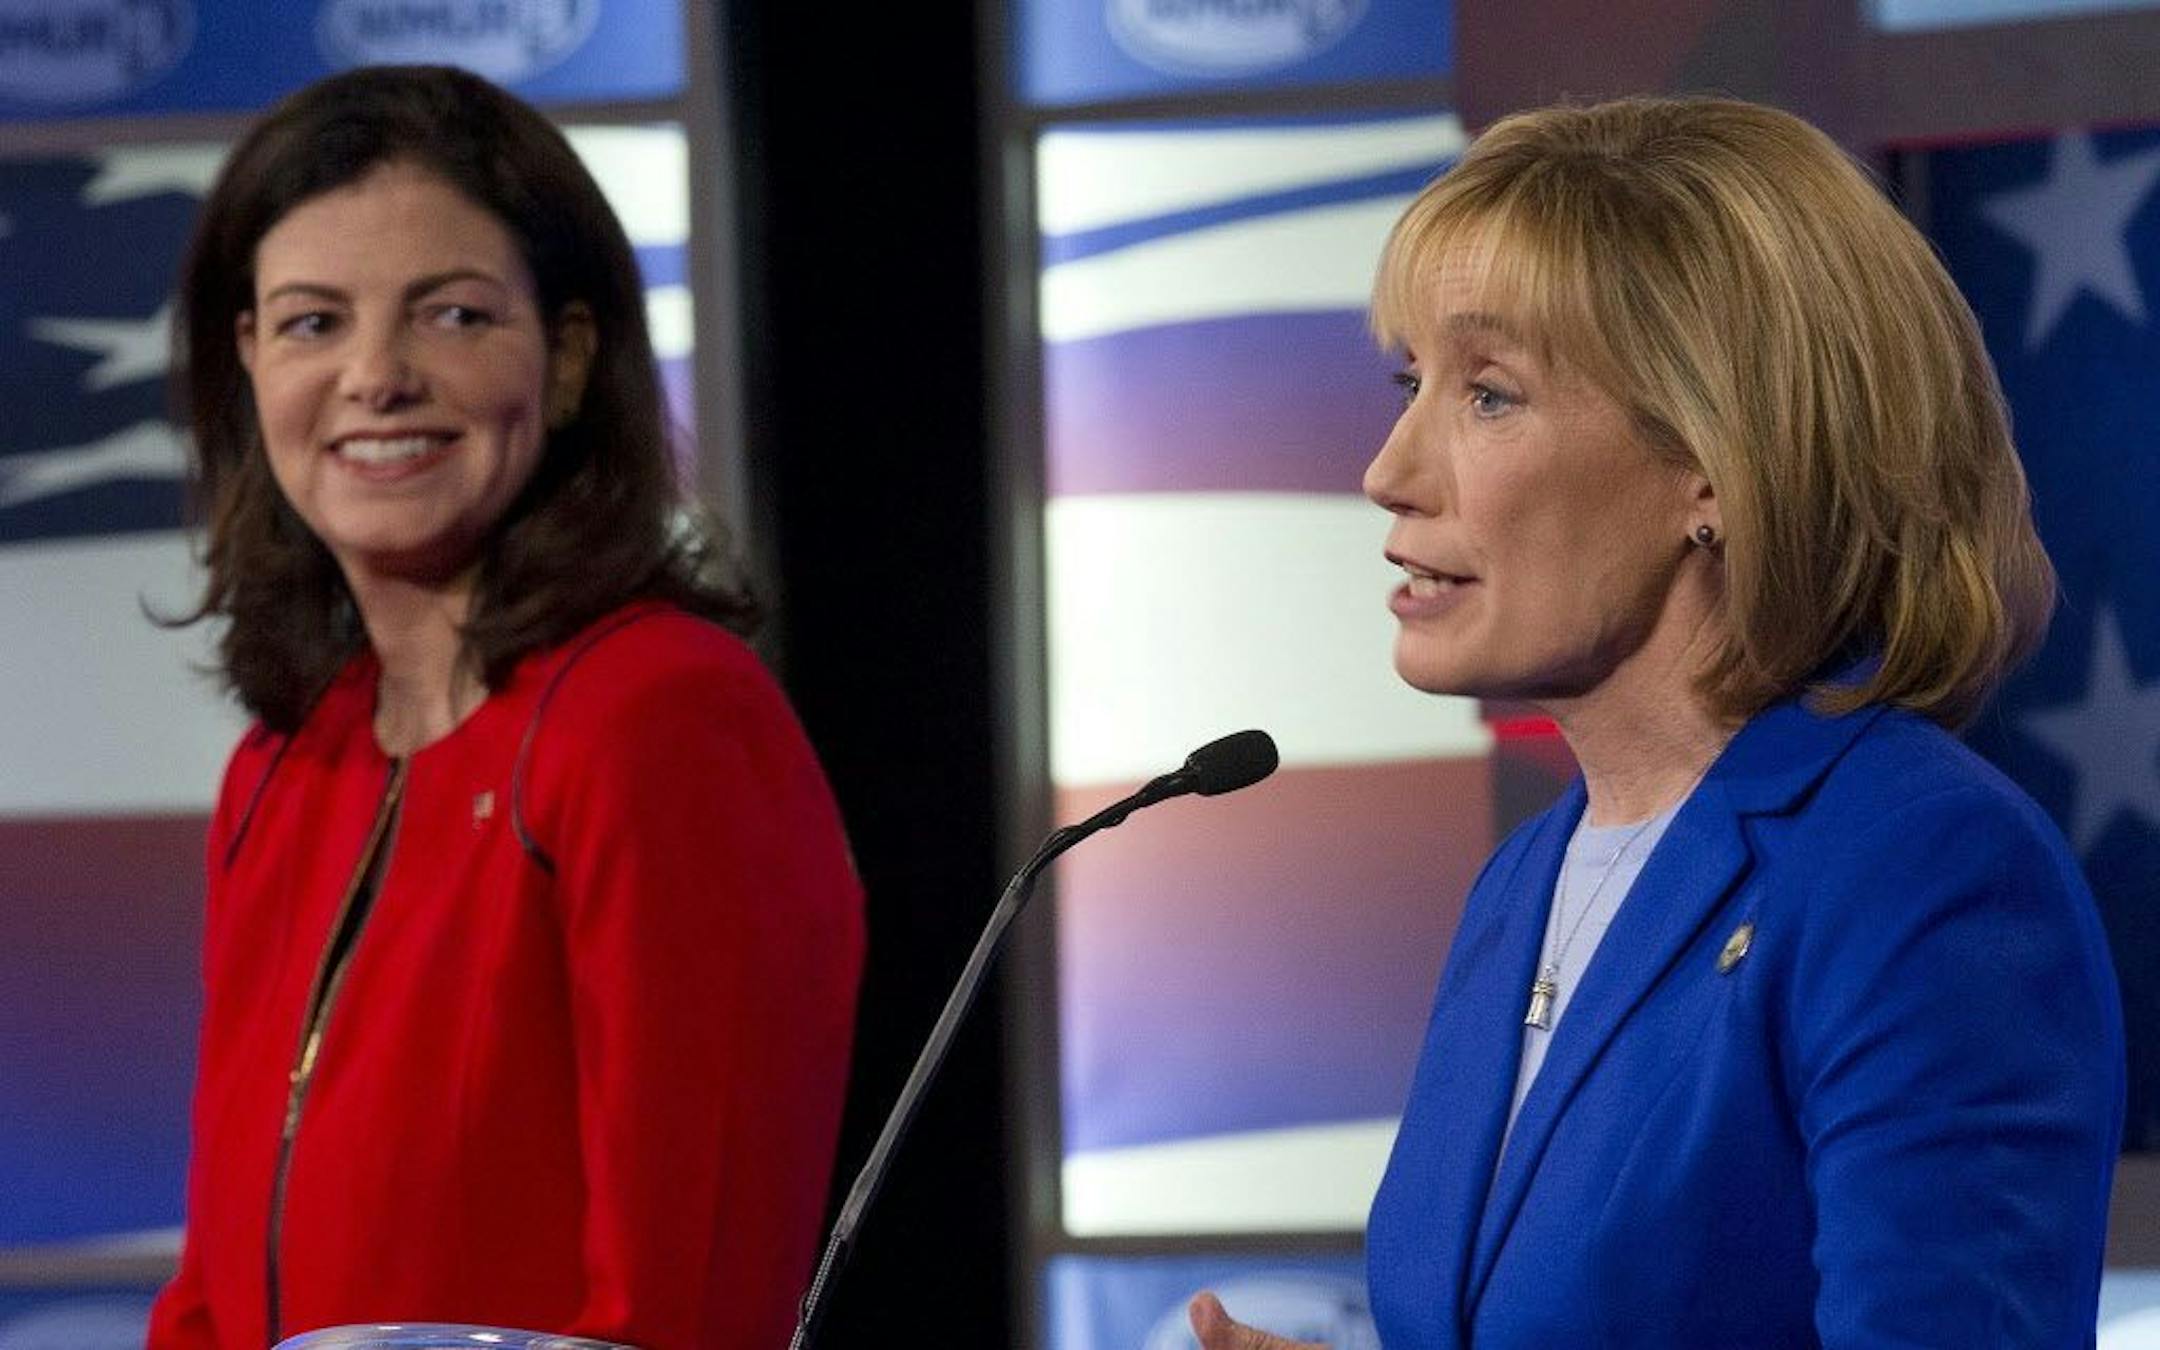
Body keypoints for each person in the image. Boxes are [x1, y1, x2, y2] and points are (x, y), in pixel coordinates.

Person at [1193, 96, 2124, 1349]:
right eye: (1412, 382)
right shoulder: (1525, 882)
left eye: (1489, 395)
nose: (1389, 472)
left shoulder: (1921, 870)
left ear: (1716, 462)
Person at [145, 66, 864, 1350]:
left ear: (570, 357)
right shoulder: (283, 761)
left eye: (454, 315)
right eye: (313, 323)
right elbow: (208, 1295)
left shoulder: (659, 717)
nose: (376, 376)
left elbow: (688, 1297)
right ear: (246, 357)